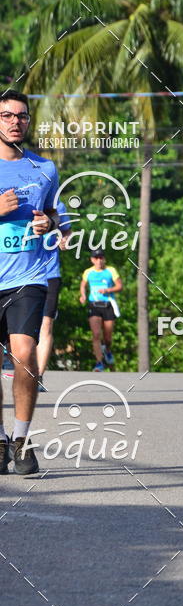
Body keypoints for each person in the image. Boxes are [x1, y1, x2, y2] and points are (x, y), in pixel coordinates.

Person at [0, 90, 59, 476]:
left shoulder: (45, 168)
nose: (15, 122)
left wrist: (48, 223)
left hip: (28, 275)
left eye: (21, 116)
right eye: (7, 116)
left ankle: (21, 441)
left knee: (24, 353)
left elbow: (58, 216)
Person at [37, 199, 72, 390]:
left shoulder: (57, 205)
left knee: (46, 323)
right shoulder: (20, 198)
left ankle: (38, 377)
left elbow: (67, 230)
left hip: (50, 274)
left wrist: (65, 239)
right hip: (20, 274)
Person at [79, 251, 122, 371]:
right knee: (96, 335)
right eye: (96, 258)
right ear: (92, 260)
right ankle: (99, 362)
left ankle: (107, 349)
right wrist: (82, 295)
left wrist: (107, 290)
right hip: (94, 305)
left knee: (107, 338)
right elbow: (83, 285)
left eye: (101, 258)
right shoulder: (88, 272)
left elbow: (119, 286)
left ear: (104, 259)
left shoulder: (111, 270)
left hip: (108, 305)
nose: (99, 261)